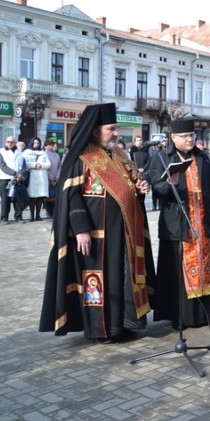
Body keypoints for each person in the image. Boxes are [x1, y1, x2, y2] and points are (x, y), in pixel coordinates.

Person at [39, 103, 156, 342]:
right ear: (95, 131)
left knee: (124, 277)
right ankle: (104, 329)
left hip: (125, 231)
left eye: (116, 129)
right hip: (96, 234)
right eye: (111, 129)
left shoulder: (120, 154)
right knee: (101, 280)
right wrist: (80, 229)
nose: (116, 133)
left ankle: (126, 322)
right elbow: (71, 199)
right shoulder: (83, 157)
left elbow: (132, 182)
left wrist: (141, 188)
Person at [149, 118, 210, 329]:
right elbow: (156, 187)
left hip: (200, 224)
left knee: (203, 266)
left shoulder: (202, 158)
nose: (189, 139)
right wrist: (167, 185)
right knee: (177, 272)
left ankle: (203, 313)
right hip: (177, 225)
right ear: (173, 138)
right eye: (184, 136)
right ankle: (180, 316)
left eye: (192, 135)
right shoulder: (162, 158)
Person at [0, 136, 26, 224]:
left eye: (11, 142)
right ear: (5, 142)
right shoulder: (0, 152)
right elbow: (2, 165)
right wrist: (14, 173)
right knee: (5, 198)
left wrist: (20, 174)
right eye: (8, 142)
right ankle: (4, 218)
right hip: (5, 178)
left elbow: (23, 164)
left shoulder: (19, 152)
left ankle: (18, 216)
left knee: (18, 198)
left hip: (17, 178)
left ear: (15, 143)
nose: (9, 144)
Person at [23, 137, 51, 221]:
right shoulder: (26, 152)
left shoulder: (43, 153)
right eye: (35, 143)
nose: (36, 144)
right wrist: (34, 164)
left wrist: (41, 165)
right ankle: (31, 214)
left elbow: (48, 164)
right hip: (31, 175)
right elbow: (24, 163)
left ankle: (38, 215)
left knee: (40, 196)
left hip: (41, 176)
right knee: (32, 196)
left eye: (38, 143)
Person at [44, 139, 61, 219]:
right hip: (47, 177)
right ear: (45, 146)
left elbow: (59, 166)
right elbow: (45, 167)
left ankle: (54, 211)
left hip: (56, 177)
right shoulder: (44, 154)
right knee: (48, 195)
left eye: (52, 145)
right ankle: (48, 210)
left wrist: (57, 176)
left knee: (55, 195)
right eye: (49, 146)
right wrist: (50, 176)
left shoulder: (56, 155)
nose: (51, 147)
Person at [149, 137, 168, 210]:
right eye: (163, 141)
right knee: (155, 189)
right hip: (153, 171)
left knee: (162, 188)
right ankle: (154, 205)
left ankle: (160, 205)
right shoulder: (152, 151)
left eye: (165, 141)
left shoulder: (167, 150)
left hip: (163, 171)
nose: (164, 142)